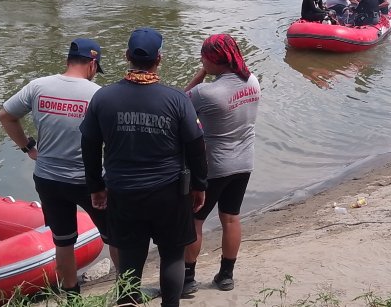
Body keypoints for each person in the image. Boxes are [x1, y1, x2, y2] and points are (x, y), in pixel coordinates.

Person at [81, 28, 207, 307]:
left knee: (129, 258)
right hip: (170, 194)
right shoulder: (177, 100)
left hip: (123, 193)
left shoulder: (103, 98)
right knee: (172, 255)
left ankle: (128, 302)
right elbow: (197, 146)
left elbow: (89, 147)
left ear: (127, 56)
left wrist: (96, 188)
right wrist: (200, 185)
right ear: (159, 59)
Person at [0, 38, 114, 294]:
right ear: (93, 65)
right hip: (89, 181)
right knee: (114, 235)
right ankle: (127, 290)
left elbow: (6, 115)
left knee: (63, 241)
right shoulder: (99, 95)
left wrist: (28, 147)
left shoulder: (38, 86)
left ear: (68, 61)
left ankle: (71, 294)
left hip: (48, 179)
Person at [182, 34, 261, 296]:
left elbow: (180, 103)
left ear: (215, 60)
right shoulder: (252, 81)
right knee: (231, 217)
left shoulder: (206, 92)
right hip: (244, 162)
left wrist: (200, 74)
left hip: (214, 167)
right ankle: (226, 275)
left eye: (204, 57)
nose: (202, 61)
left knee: (195, 220)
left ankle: (188, 278)